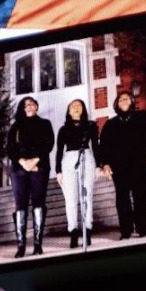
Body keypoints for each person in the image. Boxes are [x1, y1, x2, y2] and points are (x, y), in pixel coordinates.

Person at [6, 95, 53, 258]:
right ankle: (21, 246)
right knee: (20, 205)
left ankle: (38, 244)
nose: (29, 106)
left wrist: (34, 161)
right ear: (22, 108)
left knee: (38, 203)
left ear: (36, 107)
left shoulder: (45, 124)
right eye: (25, 104)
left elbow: (48, 144)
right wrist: (22, 162)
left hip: (39, 168)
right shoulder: (15, 127)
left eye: (32, 103)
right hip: (19, 170)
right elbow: (10, 148)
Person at [99, 90, 146, 239]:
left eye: (127, 99)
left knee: (140, 196)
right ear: (116, 104)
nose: (124, 101)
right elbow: (104, 146)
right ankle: (126, 231)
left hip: (138, 163)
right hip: (119, 167)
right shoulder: (110, 124)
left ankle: (142, 229)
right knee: (122, 198)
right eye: (121, 100)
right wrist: (106, 164)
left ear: (132, 102)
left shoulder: (141, 118)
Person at [55, 99, 100, 248]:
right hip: (68, 160)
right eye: (72, 106)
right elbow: (59, 151)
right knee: (71, 198)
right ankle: (73, 232)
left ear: (83, 109)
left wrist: (98, 165)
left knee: (87, 196)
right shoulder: (63, 129)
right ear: (68, 111)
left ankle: (87, 230)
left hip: (86, 157)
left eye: (79, 105)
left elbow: (96, 146)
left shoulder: (91, 126)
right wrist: (58, 171)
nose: (75, 107)